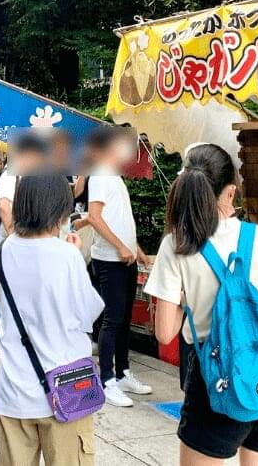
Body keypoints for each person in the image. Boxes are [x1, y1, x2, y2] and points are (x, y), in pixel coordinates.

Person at [146, 143, 258, 465]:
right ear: (230, 193)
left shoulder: (177, 245)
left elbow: (164, 332)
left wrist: (188, 297)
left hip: (214, 383)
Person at [0, 173, 106, 466]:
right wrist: (75, 256)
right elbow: (87, 315)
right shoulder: (66, 256)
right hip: (67, 388)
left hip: (13, 390)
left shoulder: (3, 250)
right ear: (59, 209)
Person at [75, 125, 152, 407]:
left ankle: (123, 373)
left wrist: (136, 249)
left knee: (122, 321)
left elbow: (120, 219)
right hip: (110, 261)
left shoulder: (115, 176)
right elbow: (94, 216)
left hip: (125, 258)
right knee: (112, 320)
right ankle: (106, 379)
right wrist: (120, 246)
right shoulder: (100, 175)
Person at [0, 135, 43, 346]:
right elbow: (3, 204)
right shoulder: (12, 172)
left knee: (10, 288)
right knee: (1, 288)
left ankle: (11, 332)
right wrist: (15, 236)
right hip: (8, 238)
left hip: (20, 238)